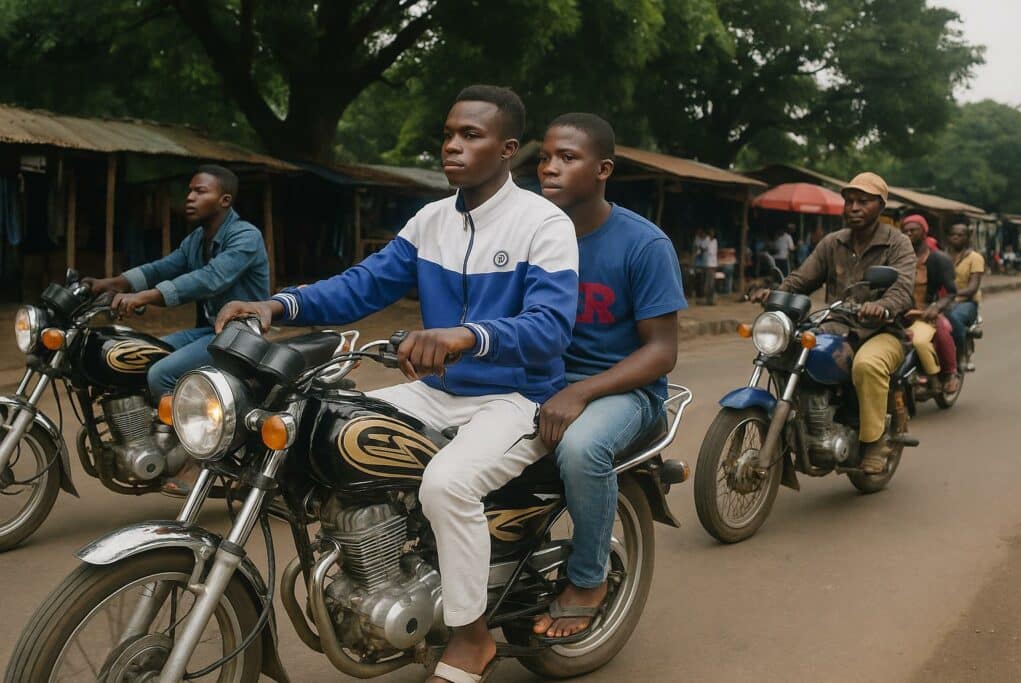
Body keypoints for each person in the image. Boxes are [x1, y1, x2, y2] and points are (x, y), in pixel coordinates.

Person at [216, 85, 578, 683]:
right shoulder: (432, 220)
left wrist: (465, 337)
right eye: (449, 134)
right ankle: (377, 566)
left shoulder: (543, 222)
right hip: (436, 390)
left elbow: (550, 326)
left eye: (471, 136)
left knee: (447, 485)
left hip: (518, 398)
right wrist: (276, 306)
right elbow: (362, 284)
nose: (453, 146)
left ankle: (471, 636)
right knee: (327, 429)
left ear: (507, 149)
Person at [530, 113, 685, 641]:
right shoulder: (530, 235)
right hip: (544, 379)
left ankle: (588, 579)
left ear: (603, 170)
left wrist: (582, 390)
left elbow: (662, 351)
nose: (549, 168)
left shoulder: (643, 244)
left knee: (582, 449)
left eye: (567, 158)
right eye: (544, 158)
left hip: (625, 390)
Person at [84, 165, 270, 494]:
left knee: (161, 374)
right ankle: (155, 439)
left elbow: (210, 279)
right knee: (145, 355)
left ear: (224, 200)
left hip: (240, 336)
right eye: (190, 190)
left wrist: (146, 297)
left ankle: (194, 457)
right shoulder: (197, 240)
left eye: (200, 191)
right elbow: (162, 267)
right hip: (211, 331)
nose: (190, 197)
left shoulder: (245, 236)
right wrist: (111, 283)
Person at [752, 173, 915, 474]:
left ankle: (875, 442)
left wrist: (881, 307)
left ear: (880, 206)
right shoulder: (833, 242)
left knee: (867, 366)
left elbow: (902, 289)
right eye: (849, 201)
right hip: (835, 324)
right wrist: (775, 293)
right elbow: (802, 279)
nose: (854, 207)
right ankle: (805, 424)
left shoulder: (898, 243)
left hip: (882, 330)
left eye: (863, 202)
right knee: (790, 351)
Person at [901, 215, 959, 395]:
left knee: (923, 339)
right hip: (901, 314)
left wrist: (936, 307)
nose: (908, 233)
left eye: (913, 230)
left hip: (926, 313)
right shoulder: (898, 259)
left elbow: (951, 292)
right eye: (905, 231)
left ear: (924, 232)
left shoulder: (939, 259)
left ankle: (946, 375)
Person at [945, 223, 983, 368]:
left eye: (960, 235)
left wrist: (951, 295)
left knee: (953, 318)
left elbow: (972, 288)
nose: (955, 237)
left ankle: (961, 354)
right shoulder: (943, 257)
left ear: (967, 238)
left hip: (967, 302)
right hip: (944, 300)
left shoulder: (975, 258)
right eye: (952, 235)